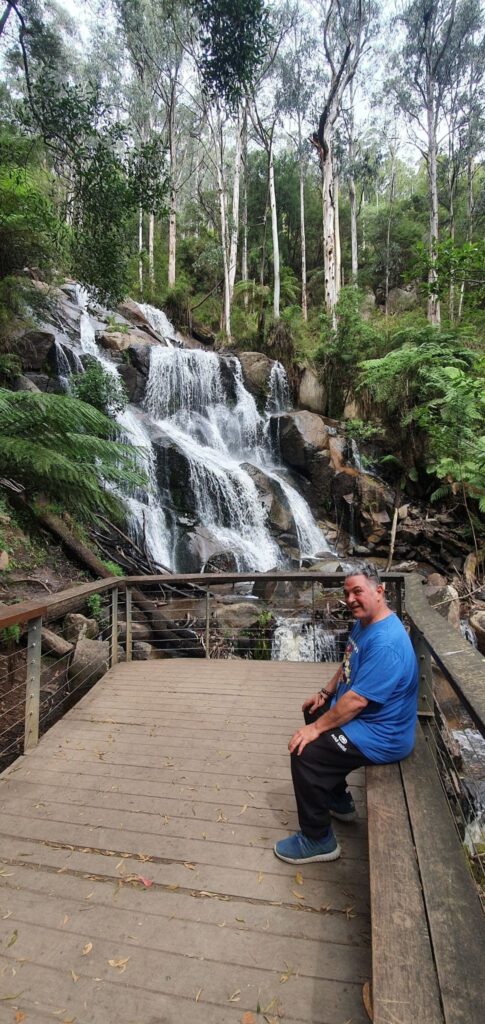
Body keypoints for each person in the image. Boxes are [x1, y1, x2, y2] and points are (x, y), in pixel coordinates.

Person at [274, 564, 419, 864]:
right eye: (346, 592)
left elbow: (356, 702)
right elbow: (348, 663)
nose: (350, 599)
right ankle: (338, 799)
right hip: (368, 720)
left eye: (358, 591)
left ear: (379, 592)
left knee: (306, 753)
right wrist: (325, 694)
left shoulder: (387, 642)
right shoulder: (365, 623)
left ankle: (318, 839)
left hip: (382, 735)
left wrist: (315, 731)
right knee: (314, 711)